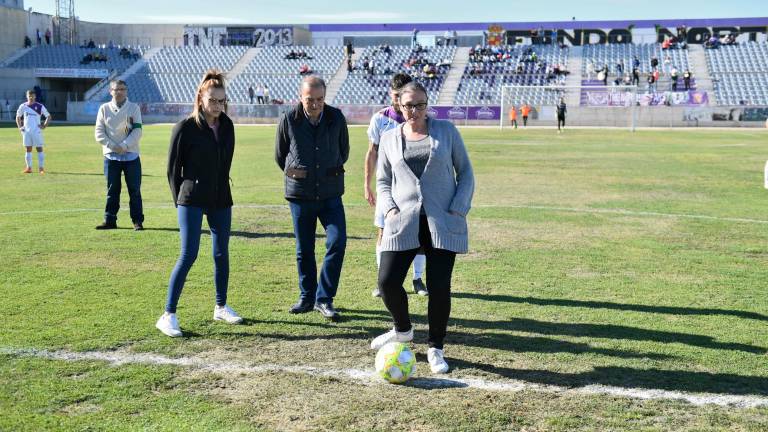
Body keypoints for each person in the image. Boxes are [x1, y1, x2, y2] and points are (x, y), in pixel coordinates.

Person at [370, 81, 475, 374]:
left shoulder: (447, 131)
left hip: (442, 219)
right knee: (387, 282)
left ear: (428, 105)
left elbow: (465, 172)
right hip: (402, 220)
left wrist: (458, 207)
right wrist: (389, 208)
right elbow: (383, 181)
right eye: (408, 105)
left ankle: (435, 347)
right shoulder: (390, 137)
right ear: (398, 106)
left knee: (439, 287)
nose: (414, 111)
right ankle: (402, 330)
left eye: (420, 104)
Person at [157, 70, 241, 337]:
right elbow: (172, 170)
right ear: (200, 99)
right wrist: (180, 201)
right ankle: (168, 314)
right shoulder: (185, 127)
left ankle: (221, 306)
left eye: (222, 101)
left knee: (221, 254)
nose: (218, 106)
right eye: (213, 101)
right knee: (188, 254)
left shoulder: (227, 125)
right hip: (191, 198)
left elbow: (225, 162)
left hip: (220, 199)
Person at [275, 76, 349, 321]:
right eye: (310, 100)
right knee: (304, 248)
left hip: (330, 194)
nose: (315, 104)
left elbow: (344, 151)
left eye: (319, 99)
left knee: (337, 242)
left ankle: (324, 298)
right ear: (301, 97)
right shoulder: (289, 119)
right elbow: (280, 155)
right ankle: (307, 297)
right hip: (300, 194)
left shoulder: (336, 117)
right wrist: (301, 174)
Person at [364, 73, 426, 298]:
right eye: (395, 95)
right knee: (384, 232)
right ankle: (383, 281)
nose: (398, 100)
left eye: (402, 95)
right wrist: (366, 184)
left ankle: (418, 279)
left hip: (415, 187)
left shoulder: (420, 117)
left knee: (420, 234)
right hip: (387, 186)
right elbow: (371, 152)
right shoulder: (380, 119)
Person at [94, 80, 145, 230]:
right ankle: (110, 220)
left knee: (134, 189)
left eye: (122, 89)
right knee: (112, 189)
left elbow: (138, 130)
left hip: (131, 155)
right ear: (111, 91)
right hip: (111, 156)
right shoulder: (104, 109)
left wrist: (124, 145)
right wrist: (112, 146)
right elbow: (98, 132)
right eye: (116, 89)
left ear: (126, 91)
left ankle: (137, 221)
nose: (120, 92)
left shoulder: (134, 108)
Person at [16, 89, 51, 174]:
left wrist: (44, 126)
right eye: (29, 96)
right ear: (26, 96)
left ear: (35, 96)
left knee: (39, 149)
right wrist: (20, 127)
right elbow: (18, 117)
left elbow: (48, 116)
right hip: (26, 132)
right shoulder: (23, 106)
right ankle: (29, 168)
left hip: (36, 131)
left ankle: (41, 168)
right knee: (28, 149)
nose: (31, 97)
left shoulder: (39, 106)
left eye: (32, 96)